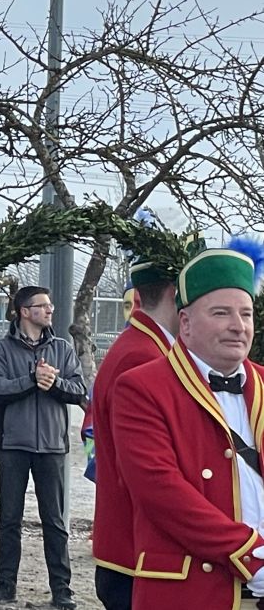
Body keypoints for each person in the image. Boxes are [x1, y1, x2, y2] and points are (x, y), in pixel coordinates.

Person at [109, 242, 264, 608]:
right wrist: (252, 557)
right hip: (191, 591)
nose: (238, 326)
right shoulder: (141, 387)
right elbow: (162, 493)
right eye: (221, 313)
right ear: (186, 323)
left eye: (246, 314)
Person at [0, 285, 87, 609]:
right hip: (12, 446)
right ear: (24, 311)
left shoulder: (63, 348)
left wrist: (53, 383)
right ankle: (5, 585)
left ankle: (62, 590)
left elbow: (79, 390)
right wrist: (31, 379)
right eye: (42, 305)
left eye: (50, 304)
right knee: (9, 519)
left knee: (55, 521)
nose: (50, 309)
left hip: (52, 446)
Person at [89, 256, 178, 610]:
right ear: (176, 294)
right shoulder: (143, 355)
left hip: (132, 547)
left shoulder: (144, 345)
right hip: (135, 550)